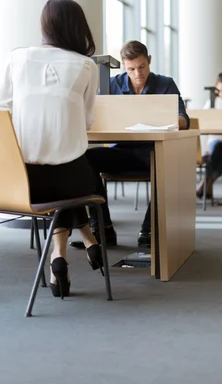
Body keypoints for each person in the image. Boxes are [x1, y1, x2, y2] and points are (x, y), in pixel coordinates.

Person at [0, 0, 103, 299]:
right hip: (67, 182)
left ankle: (62, 257)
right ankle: (82, 242)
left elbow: (3, 112)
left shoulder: (15, 58)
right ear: (78, 27)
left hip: (20, 181)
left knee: (64, 178)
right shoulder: (86, 66)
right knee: (77, 174)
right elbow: (86, 122)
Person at [70, 40, 189, 250]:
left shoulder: (165, 84)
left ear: (149, 61)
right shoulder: (113, 85)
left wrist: (159, 121)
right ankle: (103, 228)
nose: (138, 73)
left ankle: (149, 228)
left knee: (166, 162)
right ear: (125, 66)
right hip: (122, 152)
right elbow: (94, 118)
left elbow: (183, 120)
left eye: (142, 67)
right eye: (131, 69)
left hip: (152, 152)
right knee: (85, 159)